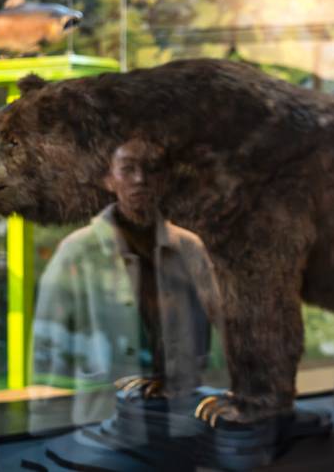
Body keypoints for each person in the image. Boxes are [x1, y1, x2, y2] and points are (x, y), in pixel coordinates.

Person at [28, 138, 219, 434]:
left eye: (151, 169)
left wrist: (223, 406)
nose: (140, 179)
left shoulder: (189, 248)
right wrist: (45, 434)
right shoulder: (78, 251)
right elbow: (48, 349)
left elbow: (218, 334)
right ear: (108, 178)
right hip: (100, 431)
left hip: (183, 425)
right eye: (128, 169)